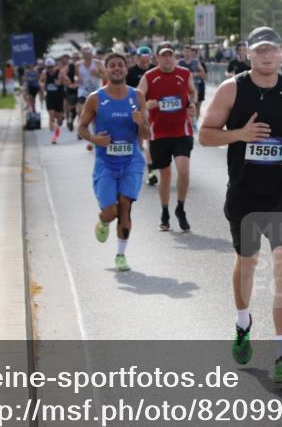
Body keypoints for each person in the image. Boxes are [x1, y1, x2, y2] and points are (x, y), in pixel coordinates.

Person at [199, 26, 282, 384]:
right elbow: (204, 134)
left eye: (273, 50)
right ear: (248, 53)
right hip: (246, 193)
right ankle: (243, 320)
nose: (266, 55)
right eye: (260, 50)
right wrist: (239, 135)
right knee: (247, 262)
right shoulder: (232, 89)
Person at [78, 53, 149, 272]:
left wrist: (141, 123)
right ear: (105, 71)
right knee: (111, 211)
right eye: (112, 66)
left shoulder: (137, 96)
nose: (117, 68)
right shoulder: (95, 98)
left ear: (126, 70)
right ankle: (103, 220)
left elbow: (146, 133)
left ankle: (121, 255)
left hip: (131, 161)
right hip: (106, 163)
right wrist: (94, 139)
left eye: (120, 65)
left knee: (125, 207)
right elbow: (81, 127)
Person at [138, 42, 198, 231]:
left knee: (184, 170)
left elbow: (193, 92)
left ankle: (180, 208)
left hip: (182, 131)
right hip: (159, 133)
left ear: (175, 57)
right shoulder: (149, 76)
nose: (167, 58)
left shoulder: (184, 73)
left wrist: (192, 105)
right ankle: (164, 212)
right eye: (163, 55)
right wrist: (146, 105)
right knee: (165, 175)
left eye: (170, 55)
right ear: (157, 58)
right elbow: (138, 99)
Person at [127, 46, 158, 186]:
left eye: (148, 57)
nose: (146, 60)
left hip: (155, 110)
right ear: (138, 57)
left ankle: (151, 171)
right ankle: (137, 166)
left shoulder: (155, 69)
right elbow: (127, 93)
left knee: (150, 140)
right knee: (139, 141)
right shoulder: (131, 72)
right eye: (143, 57)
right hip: (137, 109)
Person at [178, 46, 208, 120]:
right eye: (185, 51)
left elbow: (203, 73)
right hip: (183, 88)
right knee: (183, 106)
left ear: (191, 53)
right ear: (183, 52)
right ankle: (186, 121)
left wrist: (193, 74)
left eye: (188, 51)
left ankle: (194, 123)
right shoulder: (179, 62)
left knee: (194, 105)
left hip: (194, 87)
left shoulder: (196, 62)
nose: (187, 53)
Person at [42, 57, 65, 144]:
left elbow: (68, 81)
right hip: (49, 97)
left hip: (58, 97)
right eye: (48, 67)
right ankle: (53, 137)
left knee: (59, 119)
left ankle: (60, 120)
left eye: (51, 67)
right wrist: (42, 85)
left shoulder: (60, 72)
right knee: (51, 115)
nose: (50, 69)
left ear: (54, 66)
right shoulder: (44, 73)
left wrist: (60, 82)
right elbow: (40, 81)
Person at [63, 53, 80, 132]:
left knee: (80, 109)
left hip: (80, 89)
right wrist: (69, 83)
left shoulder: (81, 66)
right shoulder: (69, 66)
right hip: (71, 90)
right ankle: (71, 121)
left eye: (77, 57)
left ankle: (79, 129)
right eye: (74, 58)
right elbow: (62, 75)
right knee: (73, 108)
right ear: (72, 58)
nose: (76, 59)